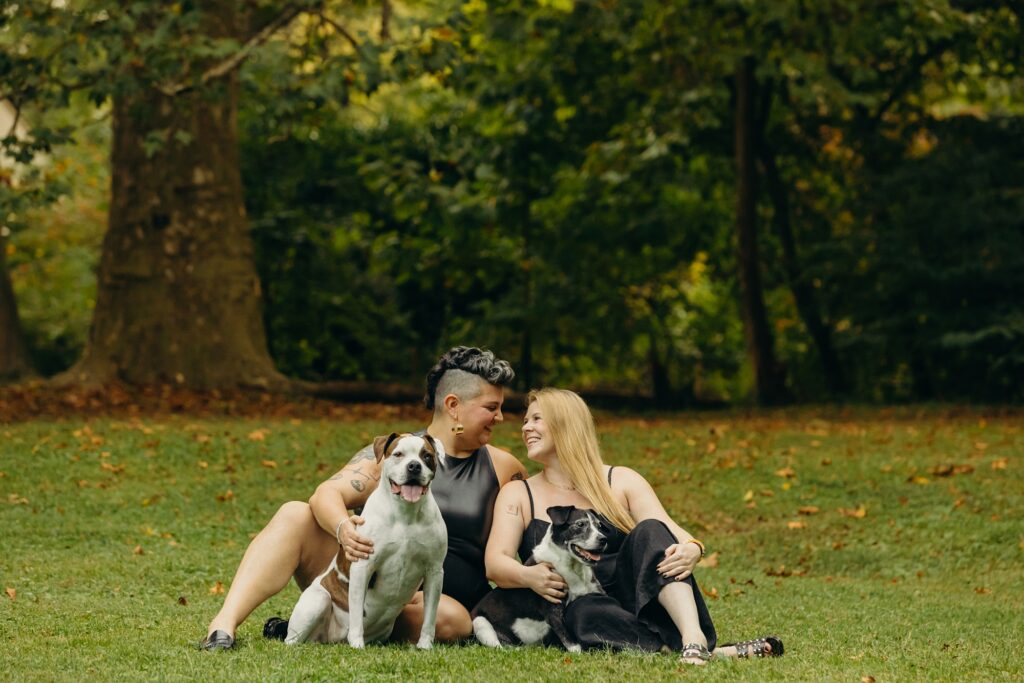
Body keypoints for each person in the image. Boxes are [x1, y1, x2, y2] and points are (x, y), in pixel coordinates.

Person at [202, 346, 527, 650]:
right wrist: (344, 527)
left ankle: (329, 628)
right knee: (294, 513)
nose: (500, 417)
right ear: (453, 405)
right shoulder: (393, 454)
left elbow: (531, 532)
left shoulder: (502, 466)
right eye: (491, 408)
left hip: (433, 600)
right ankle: (224, 625)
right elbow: (326, 494)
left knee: (452, 621)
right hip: (366, 579)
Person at [484, 388, 783, 664]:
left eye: (536, 419)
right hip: (578, 608)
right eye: (525, 421)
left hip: (637, 597)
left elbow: (667, 529)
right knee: (584, 612)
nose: (525, 428)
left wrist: (694, 549)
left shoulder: (622, 480)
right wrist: (529, 576)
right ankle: (709, 653)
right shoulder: (518, 493)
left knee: (649, 529)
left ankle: (693, 637)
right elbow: (495, 562)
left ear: (566, 424)